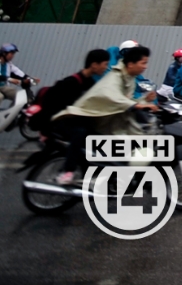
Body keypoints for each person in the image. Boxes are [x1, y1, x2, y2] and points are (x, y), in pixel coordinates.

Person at [55, 44, 156, 183]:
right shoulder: (114, 77)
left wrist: (144, 100)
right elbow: (113, 97)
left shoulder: (130, 79)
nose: (145, 66)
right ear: (131, 64)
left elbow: (127, 100)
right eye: (143, 63)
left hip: (110, 119)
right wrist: (137, 104)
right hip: (94, 121)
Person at [33, 50, 112, 121]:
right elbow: (56, 105)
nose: (106, 67)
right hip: (57, 121)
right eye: (105, 64)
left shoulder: (90, 82)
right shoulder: (71, 82)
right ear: (94, 65)